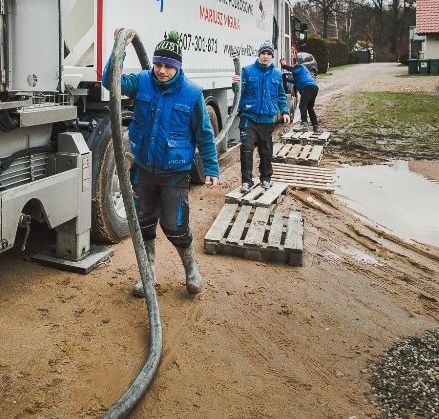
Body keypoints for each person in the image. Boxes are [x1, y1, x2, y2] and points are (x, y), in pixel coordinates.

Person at [103, 29, 219, 297]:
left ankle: (191, 270)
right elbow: (110, 82)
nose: (162, 71)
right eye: (158, 64)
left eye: (168, 66)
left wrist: (211, 168)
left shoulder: (192, 94)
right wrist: (119, 48)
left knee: (174, 226)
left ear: (178, 67)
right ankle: (148, 274)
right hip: (143, 169)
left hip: (174, 173)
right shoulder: (142, 82)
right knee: (143, 224)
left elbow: (204, 133)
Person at [232, 41, 290, 191]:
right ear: (259, 55)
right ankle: (247, 181)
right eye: (263, 53)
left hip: (267, 119)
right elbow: (239, 92)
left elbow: (281, 95)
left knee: (266, 151)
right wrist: (235, 84)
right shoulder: (247, 71)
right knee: (247, 149)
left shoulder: (277, 74)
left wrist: (285, 111)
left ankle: (266, 178)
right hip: (248, 118)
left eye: (268, 53)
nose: (265, 56)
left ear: (272, 56)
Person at [282, 59, 319, 132]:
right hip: (314, 87)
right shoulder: (302, 74)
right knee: (310, 107)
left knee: (302, 105)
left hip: (308, 87)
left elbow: (293, 69)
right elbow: (295, 82)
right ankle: (315, 125)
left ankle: (304, 125)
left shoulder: (300, 67)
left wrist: (284, 65)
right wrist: (286, 78)